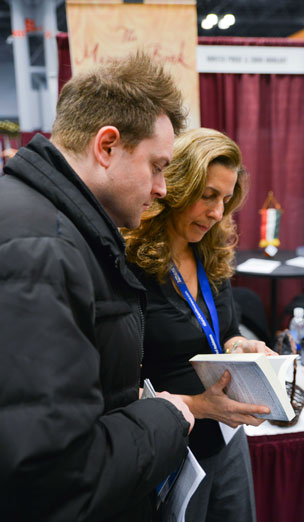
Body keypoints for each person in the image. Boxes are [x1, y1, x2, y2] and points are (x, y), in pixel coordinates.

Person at [0, 52, 195, 522]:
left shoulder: (51, 228)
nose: (164, 188)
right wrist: (166, 419)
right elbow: (57, 477)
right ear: (107, 146)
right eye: (158, 166)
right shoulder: (43, 249)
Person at [123, 127, 276, 522]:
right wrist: (197, 406)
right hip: (169, 447)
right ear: (176, 185)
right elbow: (112, 387)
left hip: (227, 437)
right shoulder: (130, 266)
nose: (217, 213)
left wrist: (241, 345)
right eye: (207, 196)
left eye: (225, 200)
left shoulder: (211, 255)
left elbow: (224, 331)